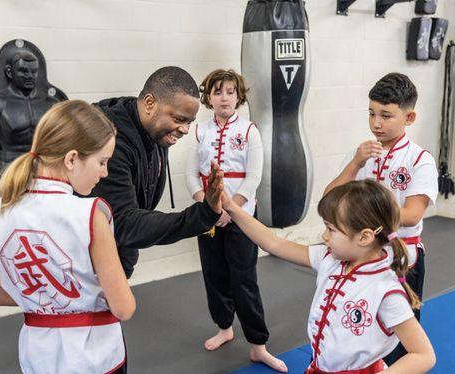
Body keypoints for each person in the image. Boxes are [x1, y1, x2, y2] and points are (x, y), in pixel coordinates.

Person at [223, 179, 435, 373]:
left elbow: (423, 355)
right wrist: (232, 207)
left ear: (365, 237)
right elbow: (274, 243)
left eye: (331, 229)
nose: (324, 236)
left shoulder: (385, 291)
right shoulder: (330, 259)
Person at [0, 100, 135, 374]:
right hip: (95, 355)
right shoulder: (89, 214)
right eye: (102, 162)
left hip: (38, 354)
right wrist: (78, 300)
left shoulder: (2, 208)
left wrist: (48, 302)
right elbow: (124, 307)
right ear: (71, 159)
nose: (105, 173)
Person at [323, 73, 438, 364]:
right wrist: (356, 162)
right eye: (372, 114)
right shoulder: (359, 153)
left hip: (403, 257)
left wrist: (363, 214)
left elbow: (412, 215)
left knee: (400, 334)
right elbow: (329, 200)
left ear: (409, 117)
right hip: (360, 254)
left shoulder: (419, 159)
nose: (376, 123)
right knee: (359, 324)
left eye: (386, 116)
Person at [185, 69, 285, 371]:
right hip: (208, 217)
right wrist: (208, 208)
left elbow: (254, 176)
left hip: (241, 218)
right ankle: (224, 328)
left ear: (238, 96)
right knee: (214, 275)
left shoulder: (249, 130)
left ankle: (258, 345)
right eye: (217, 92)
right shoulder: (199, 131)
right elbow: (190, 175)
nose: (224, 97)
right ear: (208, 98)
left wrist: (233, 210)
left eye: (230, 91)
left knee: (244, 279)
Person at [94, 66, 223, 278]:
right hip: (91, 264)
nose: (185, 130)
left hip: (120, 252)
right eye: (179, 119)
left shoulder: (154, 130)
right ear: (150, 103)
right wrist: (202, 215)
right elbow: (124, 223)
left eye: (189, 122)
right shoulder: (111, 143)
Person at [0, 46, 67, 216]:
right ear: (9, 72)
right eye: (23, 71)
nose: (30, 76)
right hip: (9, 167)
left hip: (44, 168)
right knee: (8, 218)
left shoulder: (51, 103)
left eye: (33, 71)